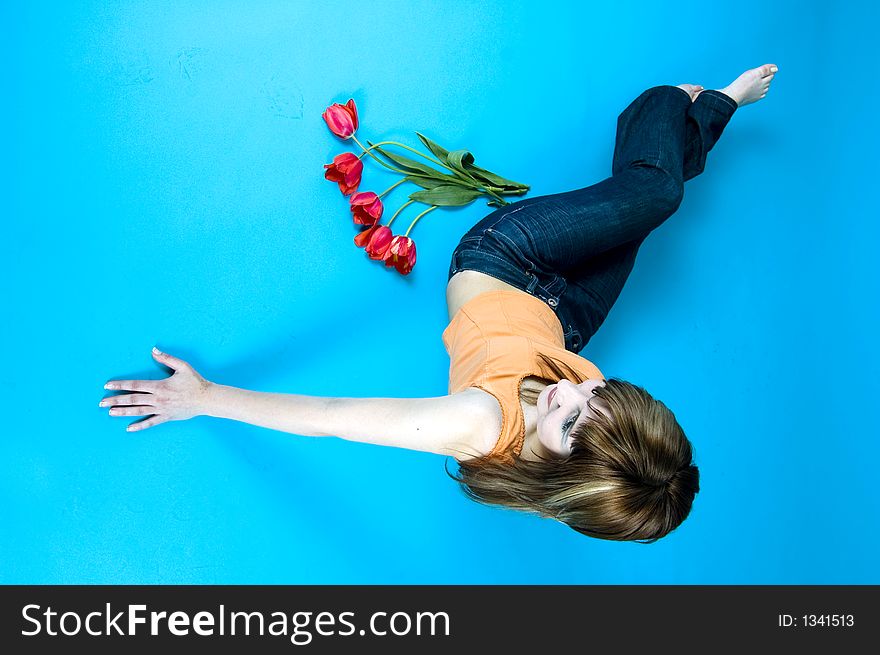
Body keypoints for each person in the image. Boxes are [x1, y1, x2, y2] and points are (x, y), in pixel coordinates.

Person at [100, 64, 779, 543]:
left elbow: (335, 418)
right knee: (653, 203)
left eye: (570, 426)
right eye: (596, 399)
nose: (568, 396)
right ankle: (700, 109)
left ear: (565, 485)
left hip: (504, 261)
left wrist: (206, 396)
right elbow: (578, 409)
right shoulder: (575, 413)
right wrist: (575, 399)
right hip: (560, 321)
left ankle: (681, 111)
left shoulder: (479, 425)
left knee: (652, 196)